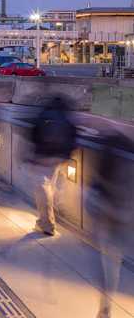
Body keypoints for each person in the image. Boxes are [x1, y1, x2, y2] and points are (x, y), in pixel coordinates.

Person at [86, 131, 134, 318]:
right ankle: (105, 307)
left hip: (109, 219)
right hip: (122, 221)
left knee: (109, 265)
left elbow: (92, 197)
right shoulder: (128, 165)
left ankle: (105, 307)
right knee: (111, 263)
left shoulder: (104, 165)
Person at [29, 93, 76, 236]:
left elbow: (34, 134)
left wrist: (35, 155)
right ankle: (47, 220)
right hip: (58, 158)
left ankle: (47, 224)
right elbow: (73, 138)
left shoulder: (44, 116)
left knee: (42, 189)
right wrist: (64, 156)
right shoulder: (66, 118)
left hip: (43, 157)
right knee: (50, 187)